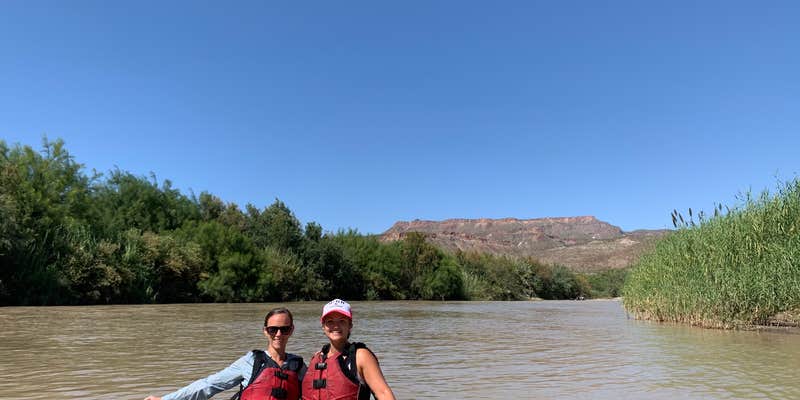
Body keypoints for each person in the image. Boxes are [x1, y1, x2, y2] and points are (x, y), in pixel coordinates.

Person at [144, 307, 306, 400]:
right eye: (273, 329)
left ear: (291, 330)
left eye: (284, 329)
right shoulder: (251, 361)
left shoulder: (298, 366)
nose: (278, 334)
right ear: (265, 331)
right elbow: (209, 385)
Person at [302, 299, 395, 400]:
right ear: (323, 326)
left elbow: (383, 394)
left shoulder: (361, 356)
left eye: (342, 321)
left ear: (350, 325)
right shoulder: (317, 358)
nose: (336, 326)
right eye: (330, 321)